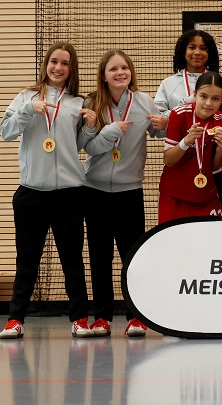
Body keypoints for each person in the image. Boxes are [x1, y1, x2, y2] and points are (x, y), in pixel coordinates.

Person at [0, 42, 97, 339]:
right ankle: (15, 320)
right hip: (32, 192)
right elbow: (6, 132)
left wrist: (90, 127)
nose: (58, 67)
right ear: (46, 64)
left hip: (69, 192)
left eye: (65, 63)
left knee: (72, 259)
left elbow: (78, 144)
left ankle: (79, 318)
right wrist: (29, 110)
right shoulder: (26, 97)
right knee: (27, 259)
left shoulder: (78, 102)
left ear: (71, 69)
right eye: (54, 61)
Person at [83, 49, 166, 337]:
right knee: (100, 256)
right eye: (113, 69)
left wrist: (164, 124)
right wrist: (108, 132)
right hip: (94, 191)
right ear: (103, 76)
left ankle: (135, 317)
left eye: (124, 68)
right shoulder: (93, 103)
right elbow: (87, 147)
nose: (120, 73)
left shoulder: (144, 102)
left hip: (130, 192)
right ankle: (103, 317)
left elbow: (159, 132)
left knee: (132, 257)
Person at [155, 30, 222, 214]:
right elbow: (158, 127)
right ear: (183, 51)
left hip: (212, 169)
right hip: (181, 166)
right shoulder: (169, 84)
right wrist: (169, 119)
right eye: (192, 47)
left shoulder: (219, 82)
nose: (197, 52)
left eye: (203, 48)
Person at [159, 71, 222, 223]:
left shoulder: (221, 120)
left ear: (221, 100)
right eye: (204, 96)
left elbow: (214, 167)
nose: (209, 103)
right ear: (195, 94)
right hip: (175, 196)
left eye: (215, 98)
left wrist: (220, 150)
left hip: (205, 195)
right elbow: (168, 160)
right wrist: (186, 141)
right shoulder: (179, 114)